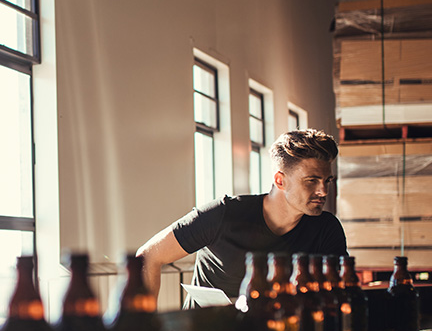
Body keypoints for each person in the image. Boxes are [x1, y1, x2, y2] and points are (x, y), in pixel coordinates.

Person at [136, 129, 348, 306]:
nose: (323, 191)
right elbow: (148, 256)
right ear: (280, 180)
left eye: (327, 180)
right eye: (312, 180)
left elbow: (338, 294)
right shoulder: (223, 215)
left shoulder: (326, 229)